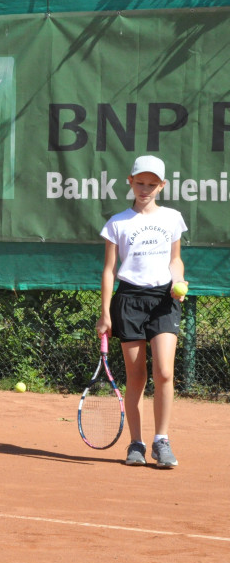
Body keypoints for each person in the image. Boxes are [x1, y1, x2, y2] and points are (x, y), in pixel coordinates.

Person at [96, 155, 187, 469]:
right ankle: (136, 444)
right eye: (140, 182)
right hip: (129, 300)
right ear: (130, 182)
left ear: (162, 186)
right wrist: (105, 313)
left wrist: (178, 280)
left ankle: (162, 441)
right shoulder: (117, 223)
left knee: (164, 372)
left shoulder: (173, 218)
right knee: (136, 377)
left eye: (152, 184)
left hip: (164, 299)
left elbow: (175, 259)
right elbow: (109, 271)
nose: (145, 188)